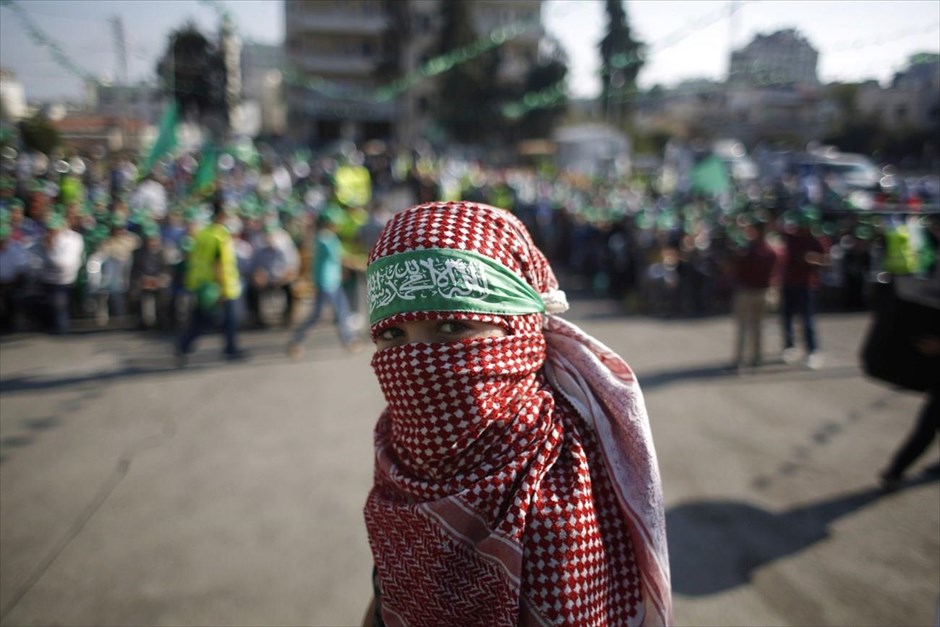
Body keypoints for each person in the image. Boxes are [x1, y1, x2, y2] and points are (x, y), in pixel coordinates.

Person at [361, 201, 672, 626]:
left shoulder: (564, 486)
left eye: (453, 327)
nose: (418, 359)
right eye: (393, 334)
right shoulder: (397, 460)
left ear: (521, 326)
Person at [176, 197, 247, 365]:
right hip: (219, 287)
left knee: (204, 319)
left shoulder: (203, 234)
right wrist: (222, 288)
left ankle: (185, 345)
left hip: (203, 285)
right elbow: (219, 265)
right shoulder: (219, 236)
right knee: (222, 319)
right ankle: (228, 349)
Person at [286, 212, 362, 358]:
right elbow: (340, 257)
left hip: (332, 281)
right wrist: (357, 263)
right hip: (326, 283)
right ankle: (296, 340)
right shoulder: (325, 238)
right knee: (318, 315)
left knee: (342, 311)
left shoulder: (329, 238)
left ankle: (350, 340)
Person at [780, 210, 828, 369]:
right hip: (789, 283)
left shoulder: (817, 240)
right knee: (787, 318)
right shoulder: (792, 237)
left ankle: (813, 351)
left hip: (807, 285)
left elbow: (826, 261)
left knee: (807, 320)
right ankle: (790, 346)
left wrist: (814, 259)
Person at [729, 219, 779, 371]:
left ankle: (741, 360)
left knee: (745, 328)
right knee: (757, 327)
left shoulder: (748, 250)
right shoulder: (771, 250)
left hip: (748, 292)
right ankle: (755, 358)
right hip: (761, 292)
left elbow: (734, 268)